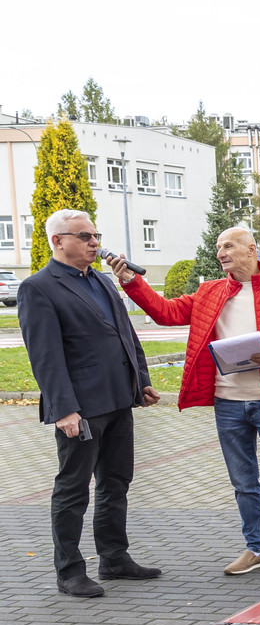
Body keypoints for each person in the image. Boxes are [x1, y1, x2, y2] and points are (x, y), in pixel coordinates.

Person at [110, 227, 260, 578]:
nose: (221, 252)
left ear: (252, 249)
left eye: (228, 246)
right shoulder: (210, 291)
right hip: (228, 404)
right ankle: (258, 548)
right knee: (244, 483)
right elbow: (166, 313)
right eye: (218, 247)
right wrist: (132, 281)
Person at [18, 210, 162, 598]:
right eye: (84, 236)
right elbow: (45, 357)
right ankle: (69, 571)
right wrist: (64, 409)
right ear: (57, 241)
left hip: (118, 401)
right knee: (73, 490)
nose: (94, 242)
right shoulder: (38, 288)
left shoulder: (101, 280)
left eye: (95, 235)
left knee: (116, 482)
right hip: (80, 409)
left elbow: (126, 335)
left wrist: (141, 382)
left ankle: (114, 558)